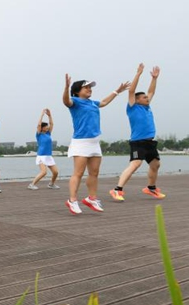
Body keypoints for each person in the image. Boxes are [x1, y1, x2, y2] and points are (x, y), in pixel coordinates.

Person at [62, 75, 130, 214]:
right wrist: (66, 87)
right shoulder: (75, 102)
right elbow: (66, 101)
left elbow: (104, 102)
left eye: (90, 87)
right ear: (77, 91)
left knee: (94, 173)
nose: (89, 89)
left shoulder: (92, 103)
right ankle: (72, 200)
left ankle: (91, 198)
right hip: (81, 142)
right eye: (86, 87)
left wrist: (117, 91)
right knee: (79, 173)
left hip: (94, 142)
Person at [110, 64, 164, 202]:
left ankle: (151, 188)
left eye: (147, 97)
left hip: (149, 142)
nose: (147, 98)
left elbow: (152, 91)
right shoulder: (133, 107)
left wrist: (154, 79)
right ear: (138, 99)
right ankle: (117, 190)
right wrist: (138, 74)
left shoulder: (147, 107)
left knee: (156, 164)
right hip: (138, 142)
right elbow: (131, 91)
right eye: (144, 97)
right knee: (135, 164)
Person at [28, 109, 59, 190]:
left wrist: (49, 115)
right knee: (44, 172)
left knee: (55, 172)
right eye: (46, 126)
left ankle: (51, 184)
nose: (47, 127)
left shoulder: (48, 133)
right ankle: (31, 184)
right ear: (42, 128)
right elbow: (38, 125)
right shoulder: (39, 135)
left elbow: (52, 124)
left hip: (49, 156)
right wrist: (42, 114)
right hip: (41, 156)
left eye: (47, 126)